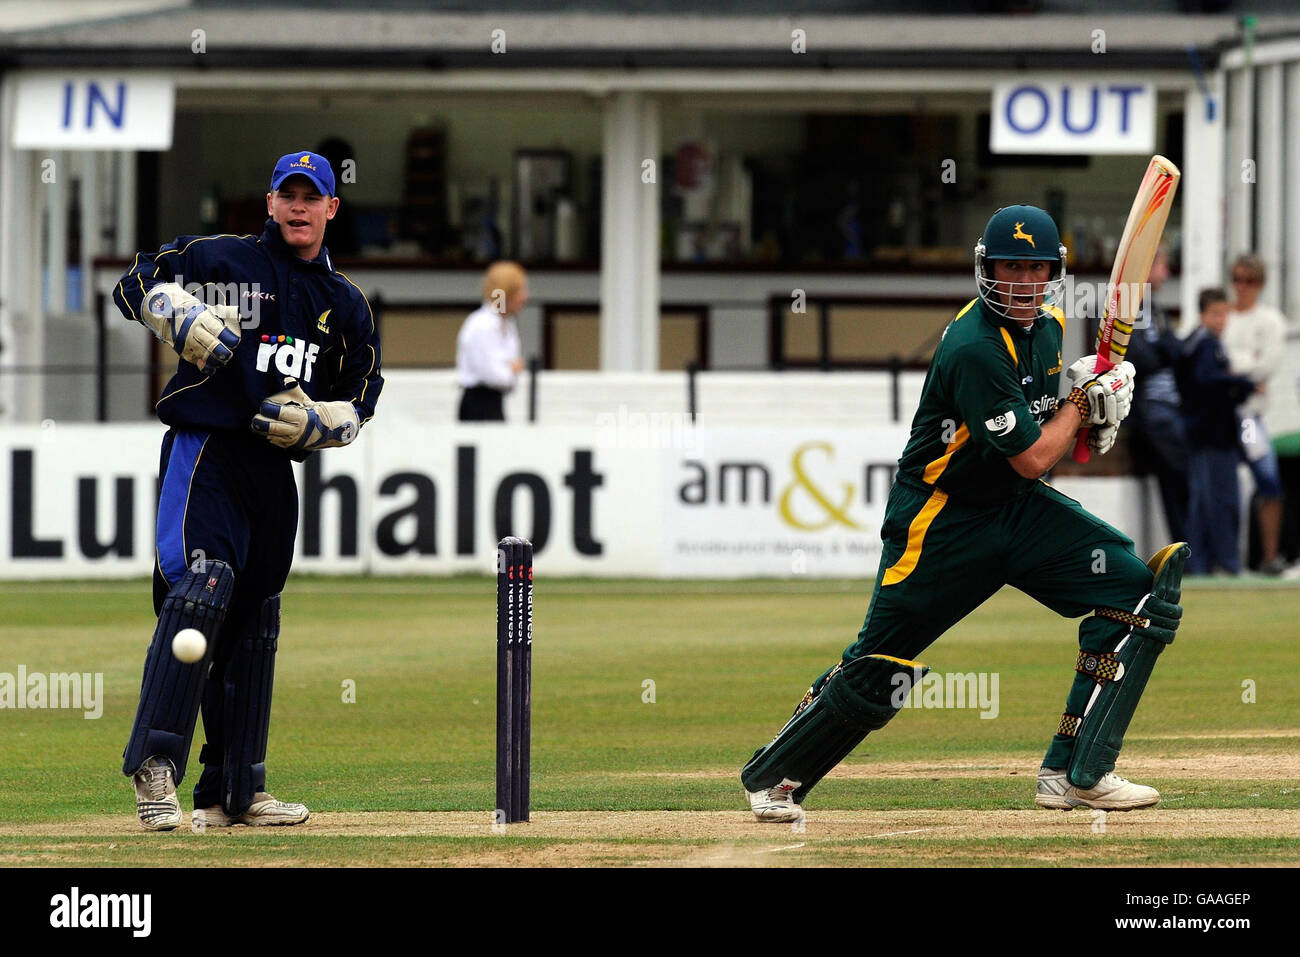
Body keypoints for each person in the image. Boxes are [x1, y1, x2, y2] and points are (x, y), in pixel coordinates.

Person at [741, 205, 1189, 822]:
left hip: (1015, 510)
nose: (1022, 283)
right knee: (881, 664)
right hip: (940, 522)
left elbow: (1042, 440)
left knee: (1139, 594)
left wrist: (1090, 418)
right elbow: (1033, 455)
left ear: (1054, 273)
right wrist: (1084, 407)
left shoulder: (1052, 326)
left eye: (1035, 269)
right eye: (1010, 267)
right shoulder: (975, 345)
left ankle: (1075, 771)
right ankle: (774, 775)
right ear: (987, 269)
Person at [113, 150, 383, 830]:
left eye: (310, 196)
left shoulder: (342, 304)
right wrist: (167, 305)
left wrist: (328, 420)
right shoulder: (222, 259)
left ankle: (236, 788)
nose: (297, 206)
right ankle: (156, 765)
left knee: (256, 609)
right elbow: (135, 279)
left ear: (330, 208)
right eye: (286, 195)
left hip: (272, 468)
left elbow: (362, 391)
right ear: (269, 204)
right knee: (203, 585)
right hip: (206, 447)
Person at [1179, 288, 1258, 576]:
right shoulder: (1205, 346)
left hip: (1207, 435)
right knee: (1221, 502)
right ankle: (1225, 563)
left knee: (1204, 503)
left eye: (1224, 313)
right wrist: (1243, 384)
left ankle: (1200, 564)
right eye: (1215, 313)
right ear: (1202, 315)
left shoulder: (1200, 343)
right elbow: (1208, 382)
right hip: (1211, 436)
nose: (1221, 319)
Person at [1223, 254, 1289, 573]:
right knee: (1224, 487)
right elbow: (1214, 361)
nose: (1242, 287)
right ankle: (1228, 559)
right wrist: (1247, 365)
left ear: (1260, 285)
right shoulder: (1224, 316)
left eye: (1249, 281)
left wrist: (1235, 366)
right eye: (1237, 279)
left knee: (1268, 480)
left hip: (1248, 417)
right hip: (1219, 416)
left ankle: (1269, 555)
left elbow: (1269, 364)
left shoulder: (1270, 320)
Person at [1123, 247, 1189, 544]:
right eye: (1162, 265)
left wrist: (1163, 349)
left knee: (1189, 473)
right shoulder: (1128, 305)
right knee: (1181, 474)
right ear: (1147, 267)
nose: (1167, 273)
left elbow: (1177, 352)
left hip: (1171, 407)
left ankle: (1191, 549)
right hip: (1148, 409)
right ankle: (1190, 551)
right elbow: (1139, 358)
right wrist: (1165, 348)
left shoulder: (1156, 308)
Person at [456, 261, 527, 422]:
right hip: (478, 404)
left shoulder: (507, 325)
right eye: (519, 291)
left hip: (495, 401)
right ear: (507, 293)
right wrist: (511, 372)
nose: (524, 298)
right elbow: (494, 375)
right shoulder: (482, 325)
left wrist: (510, 372)